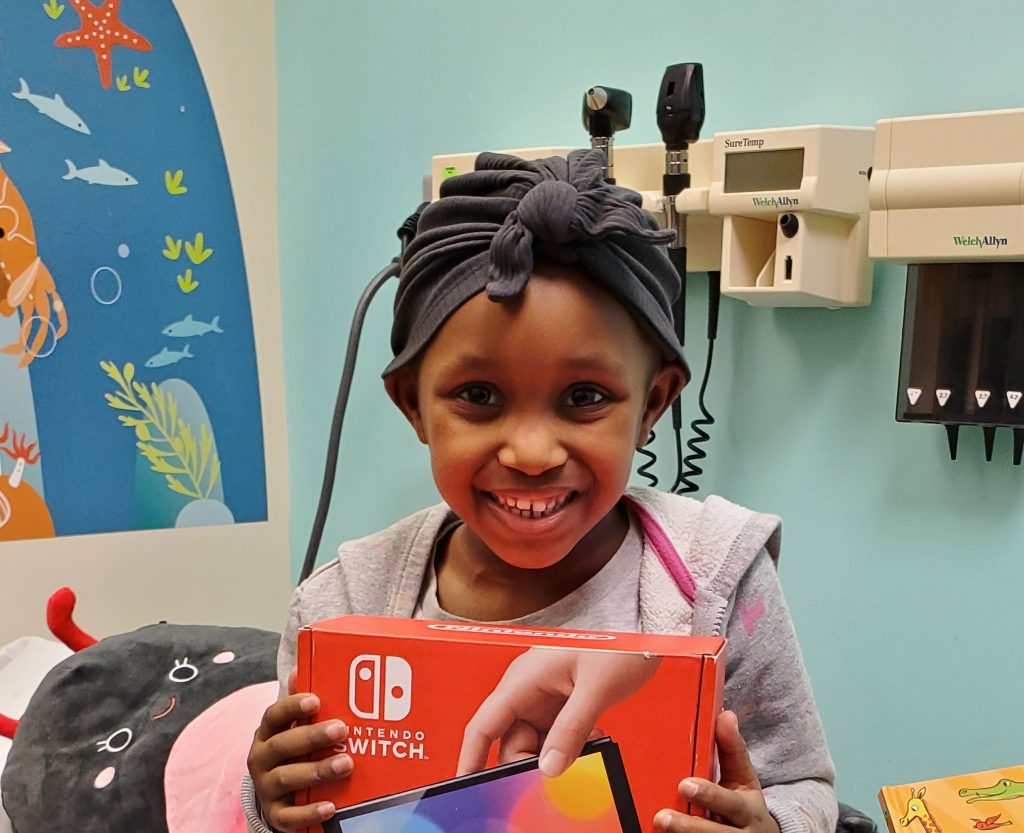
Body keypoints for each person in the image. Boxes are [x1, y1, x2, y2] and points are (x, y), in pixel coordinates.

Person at [243, 150, 838, 833]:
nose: (531, 453)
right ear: (413, 404)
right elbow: (300, 807)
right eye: (478, 396)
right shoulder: (344, 601)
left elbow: (802, 782)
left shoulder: (713, 578)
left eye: (584, 397)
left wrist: (775, 825)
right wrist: (271, 802)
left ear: (654, 403)